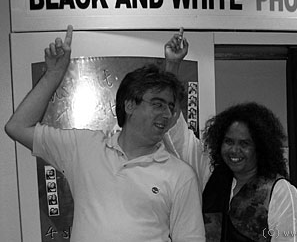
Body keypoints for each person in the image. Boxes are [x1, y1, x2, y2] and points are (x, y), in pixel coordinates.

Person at [5, 25, 205, 242]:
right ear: (129, 105)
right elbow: (17, 127)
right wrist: (54, 74)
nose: (166, 113)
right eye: (157, 104)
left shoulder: (181, 176)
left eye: (170, 107)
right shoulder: (84, 147)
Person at [164, 46, 297, 242]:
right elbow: (175, 131)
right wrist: (172, 65)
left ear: (261, 147)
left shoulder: (281, 193)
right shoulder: (210, 174)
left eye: (245, 143)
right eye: (229, 141)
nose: (234, 150)